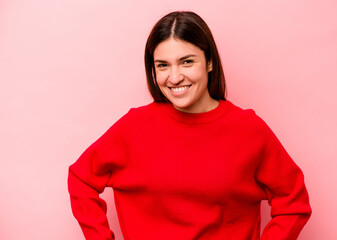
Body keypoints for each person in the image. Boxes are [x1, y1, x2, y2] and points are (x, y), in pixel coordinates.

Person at [68, 11, 311, 240]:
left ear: (209, 62)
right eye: (163, 65)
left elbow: (293, 203)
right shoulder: (134, 127)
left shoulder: (248, 129)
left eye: (186, 62)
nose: (174, 78)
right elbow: (81, 179)